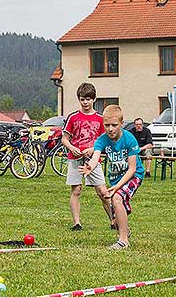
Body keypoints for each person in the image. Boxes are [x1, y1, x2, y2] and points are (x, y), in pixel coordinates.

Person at [79, 105, 144, 249]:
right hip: (115, 178)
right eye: (107, 125)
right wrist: (90, 165)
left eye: (114, 125)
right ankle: (124, 229)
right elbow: (96, 156)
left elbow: (132, 169)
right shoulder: (102, 140)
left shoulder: (129, 139)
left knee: (116, 198)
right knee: (115, 219)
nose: (110, 129)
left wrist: (118, 186)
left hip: (133, 176)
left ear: (121, 124)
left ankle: (123, 241)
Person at [61, 82, 113, 231]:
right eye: (82, 99)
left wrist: (93, 149)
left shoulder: (100, 119)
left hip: (93, 159)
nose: (85, 102)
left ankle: (113, 220)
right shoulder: (73, 117)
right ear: (79, 100)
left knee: (102, 192)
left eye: (88, 99)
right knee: (76, 190)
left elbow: (105, 141)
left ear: (94, 99)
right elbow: (64, 138)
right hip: (75, 158)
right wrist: (72, 148)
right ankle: (77, 223)